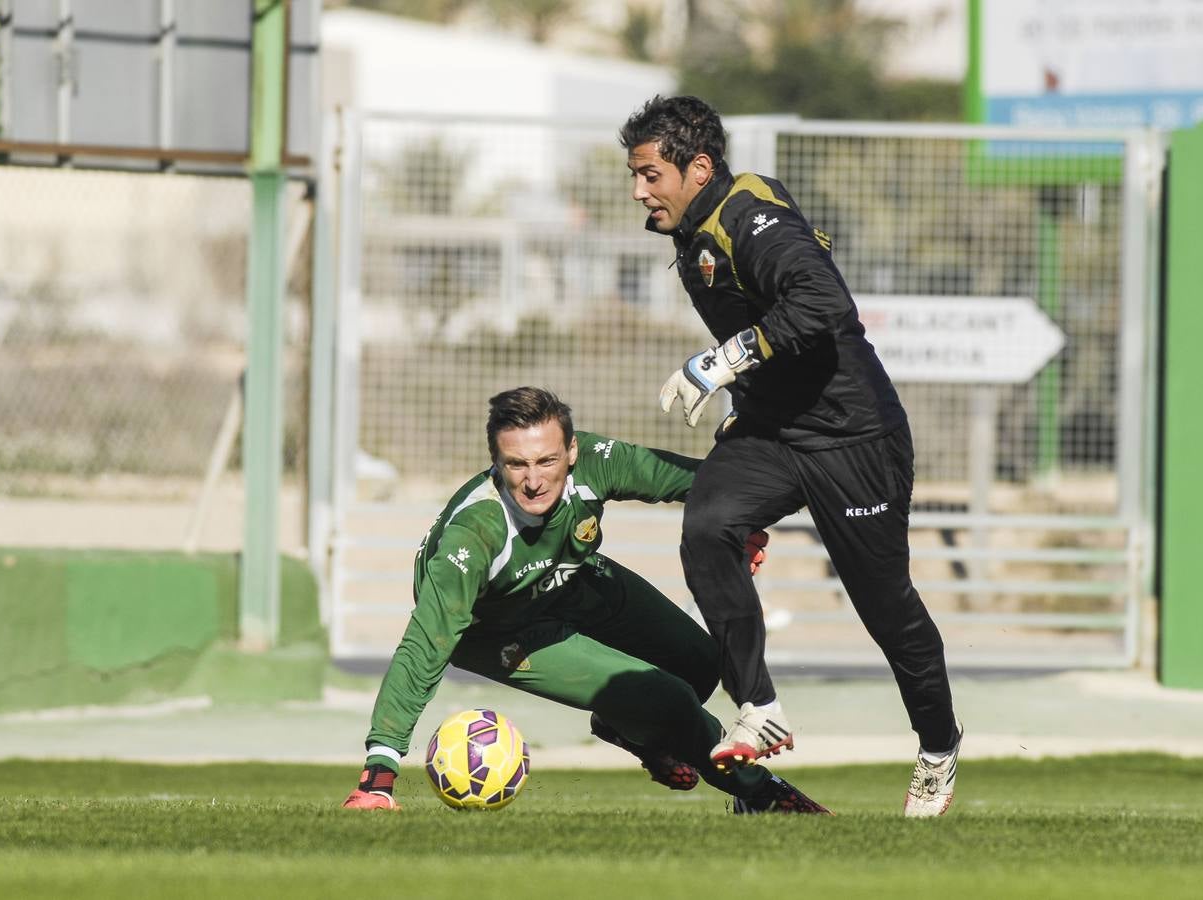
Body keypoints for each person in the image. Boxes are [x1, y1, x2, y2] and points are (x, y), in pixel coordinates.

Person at [619, 95, 963, 817]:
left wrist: (720, 363)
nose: (639, 190)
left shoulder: (751, 214)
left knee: (886, 609)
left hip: (853, 439)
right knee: (707, 524)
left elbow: (824, 307)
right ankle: (759, 706)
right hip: (775, 430)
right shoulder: (694, 232)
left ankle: (938, 747)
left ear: (698, 167)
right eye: (634, 175)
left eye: (650, 174)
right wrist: (742, 401)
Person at [342, 386, 828, 815]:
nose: (534, 481)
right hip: (502, 632)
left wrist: (738, 520)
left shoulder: (596, 461)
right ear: (496, 461)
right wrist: (378, 776)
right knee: (670, 701)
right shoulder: (475, 536)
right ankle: (760, 795)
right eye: (517, 464)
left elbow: (691, 480)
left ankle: (625, 726)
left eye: (547, 461)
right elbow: (423, 647)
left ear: (572, 451)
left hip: (572, 581)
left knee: (702, 665)